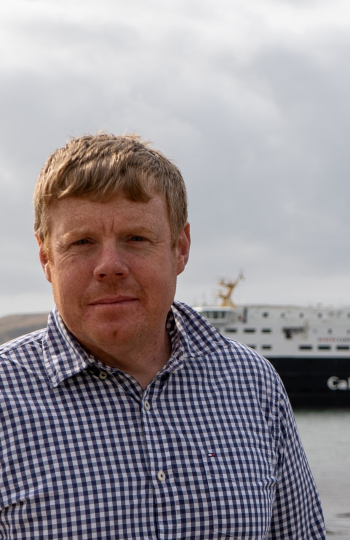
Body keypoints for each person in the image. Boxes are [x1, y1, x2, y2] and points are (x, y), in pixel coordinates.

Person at [0, 133, 326, 538]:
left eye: (136, 239)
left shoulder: (253, 384)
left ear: (180, 248)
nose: (110, 266)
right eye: (81, 242)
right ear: (46, 258)